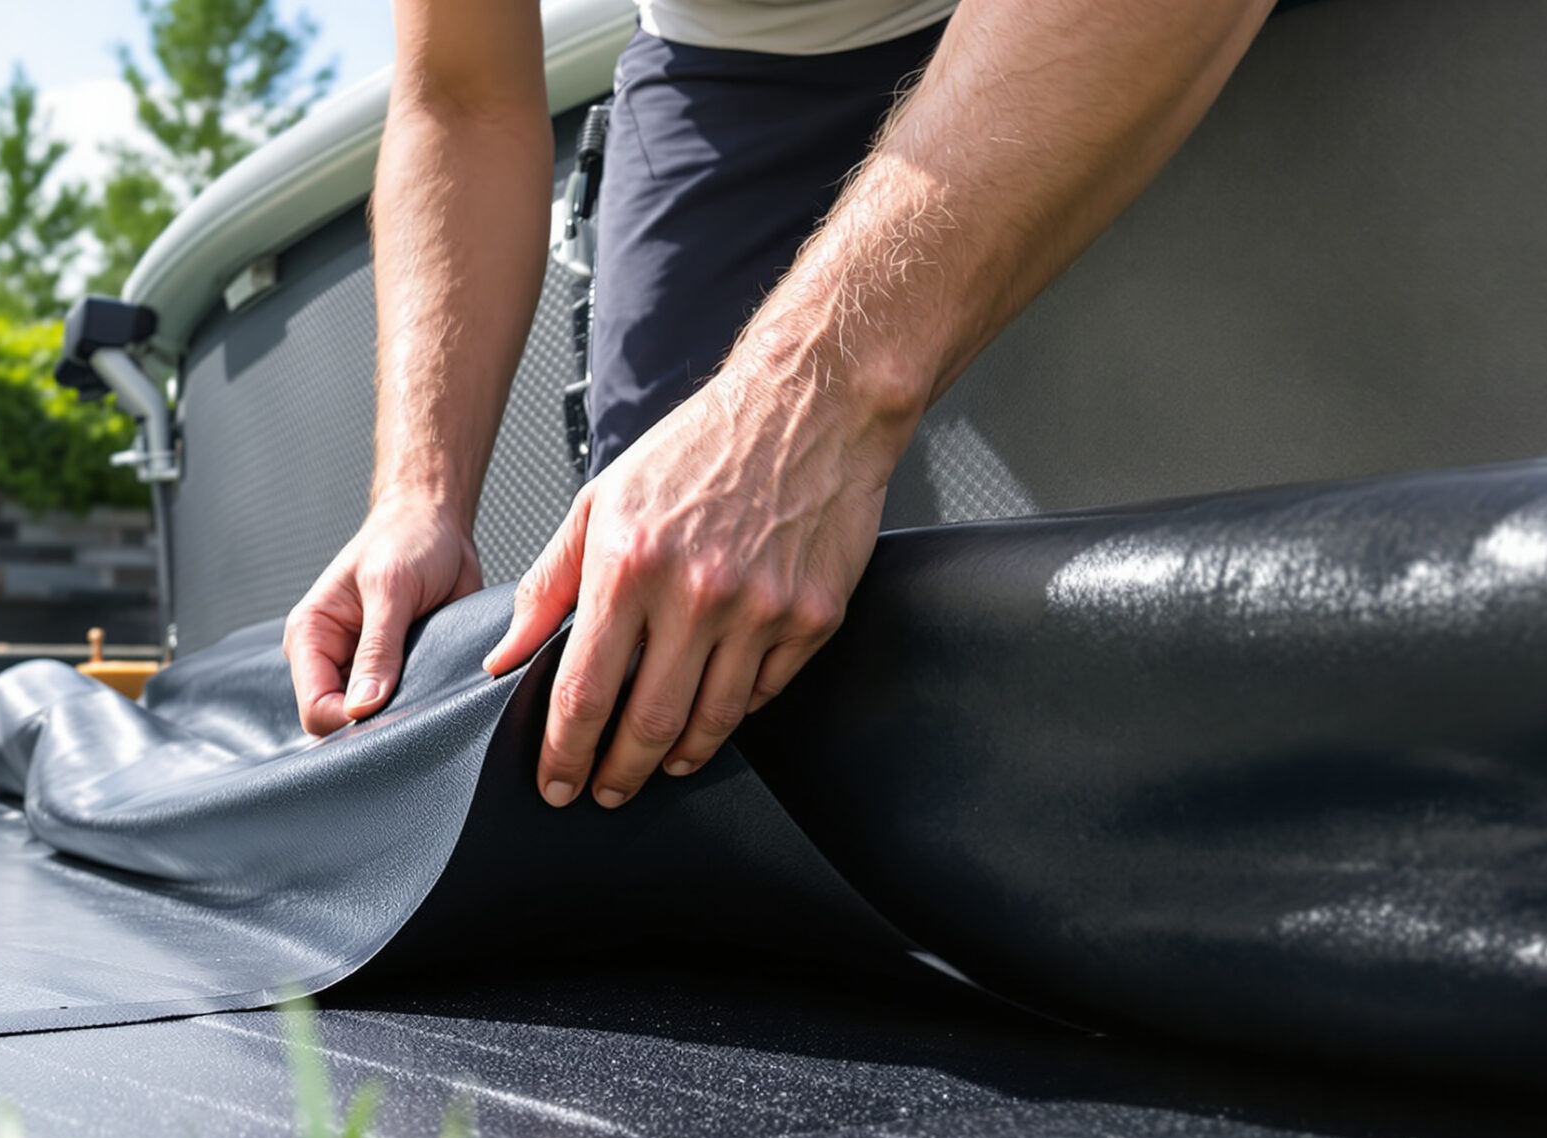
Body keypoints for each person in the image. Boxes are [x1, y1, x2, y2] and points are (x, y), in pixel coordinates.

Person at [283, 0, 1277, 808]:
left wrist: (805, 398)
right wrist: (419, 492)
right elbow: (462, 95)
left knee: (1217, 637)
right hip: (739, 74)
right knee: (653, 681)